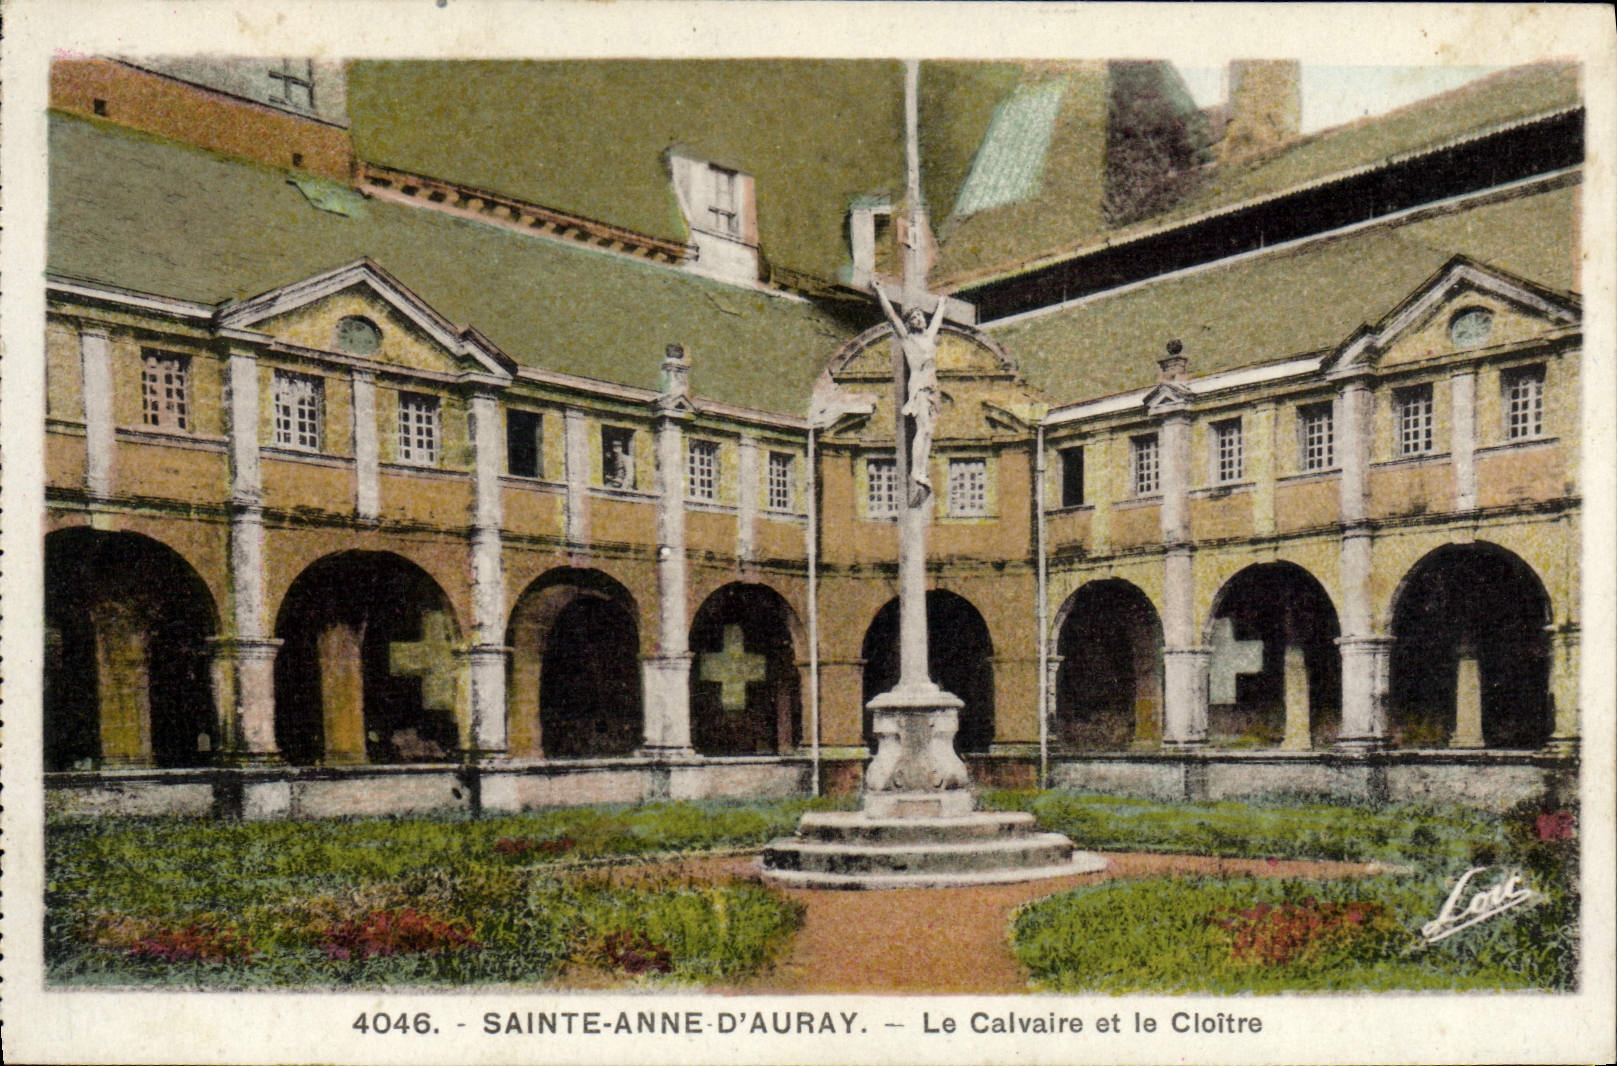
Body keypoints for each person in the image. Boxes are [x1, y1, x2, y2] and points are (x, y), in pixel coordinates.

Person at [876, 284, 949, 504]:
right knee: (923, 429)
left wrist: (942, 304)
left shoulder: (928, 337)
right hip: (918, 386)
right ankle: (917, 471)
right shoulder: (908, 340)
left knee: (928, 433)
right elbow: (891, 317)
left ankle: (922, 471)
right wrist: (881, 292)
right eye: (915, 317)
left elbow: (937, 320)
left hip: (931, 388)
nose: (919, 319)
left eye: (920, 316)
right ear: (909, 323)